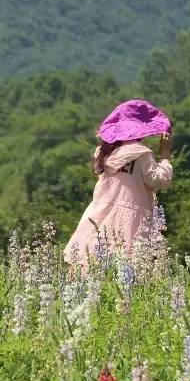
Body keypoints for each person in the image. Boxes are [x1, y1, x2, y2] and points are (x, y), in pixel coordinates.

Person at [63, 99, 174, 269]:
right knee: (128, 266)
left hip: (100, 212)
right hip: (131, 217)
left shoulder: (103, 153)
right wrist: (165, 156)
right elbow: (159, 180)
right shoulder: (142, 153)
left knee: (91, 259)